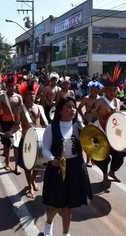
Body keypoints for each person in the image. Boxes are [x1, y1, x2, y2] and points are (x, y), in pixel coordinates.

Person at [42, 96, 92, 236]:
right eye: (68, 107)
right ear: (60, 111)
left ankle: (65, 233)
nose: (72, 110)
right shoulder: (51, 127)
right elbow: (45, 149)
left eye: (74, 107)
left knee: (68, 204)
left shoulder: (79, 125)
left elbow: (89, 144)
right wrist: (52, 159)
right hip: (57, 168)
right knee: (54, 204)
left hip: (75, 168)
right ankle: (48, 224)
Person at [85, 63, 126, 186]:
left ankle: (112, 172)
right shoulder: (99, 102)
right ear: (105, 90)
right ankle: (104, 176)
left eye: (115, 90)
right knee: (103, 156)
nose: (113, 92)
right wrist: (89, 123)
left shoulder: (118, 101)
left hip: (115, 131)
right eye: (110, 90)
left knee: (119, 156)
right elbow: (89, 113)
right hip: (101, 130)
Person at [6, 80, 48, 198]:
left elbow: (45, 123)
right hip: (26, 140)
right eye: (29, 94)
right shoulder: (20, 109)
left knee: (39, 164)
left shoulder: (40, 107)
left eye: (33, 93)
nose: (32, 96)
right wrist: (11, 131)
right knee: (27, 165)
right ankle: (30, 186)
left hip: (39, 139)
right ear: (24, 96)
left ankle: (32, 180)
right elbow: (16, 125)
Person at [0, 74, 23, 174]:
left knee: (16, 146)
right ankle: (7, 163)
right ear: (6, 86)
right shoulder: (2, 97)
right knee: (6, 146)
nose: (11, 88)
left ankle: (17, 166)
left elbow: (22, 112)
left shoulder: (19, 97)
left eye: (13, 86)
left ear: (15, 86)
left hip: (16, 123)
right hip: (5, 123)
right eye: (9, 86)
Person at [77, 81, 103, 167]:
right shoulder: (86, 98)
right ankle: (88, 160)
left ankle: (93, 158)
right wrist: (82, 116)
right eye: (92, 90)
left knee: (96, 140)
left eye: (95, 90)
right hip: (88, 120)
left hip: (97, 121)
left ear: (98, 90)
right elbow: (79, 108)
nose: (93, 92)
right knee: (89, 140)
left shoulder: (100, 99)